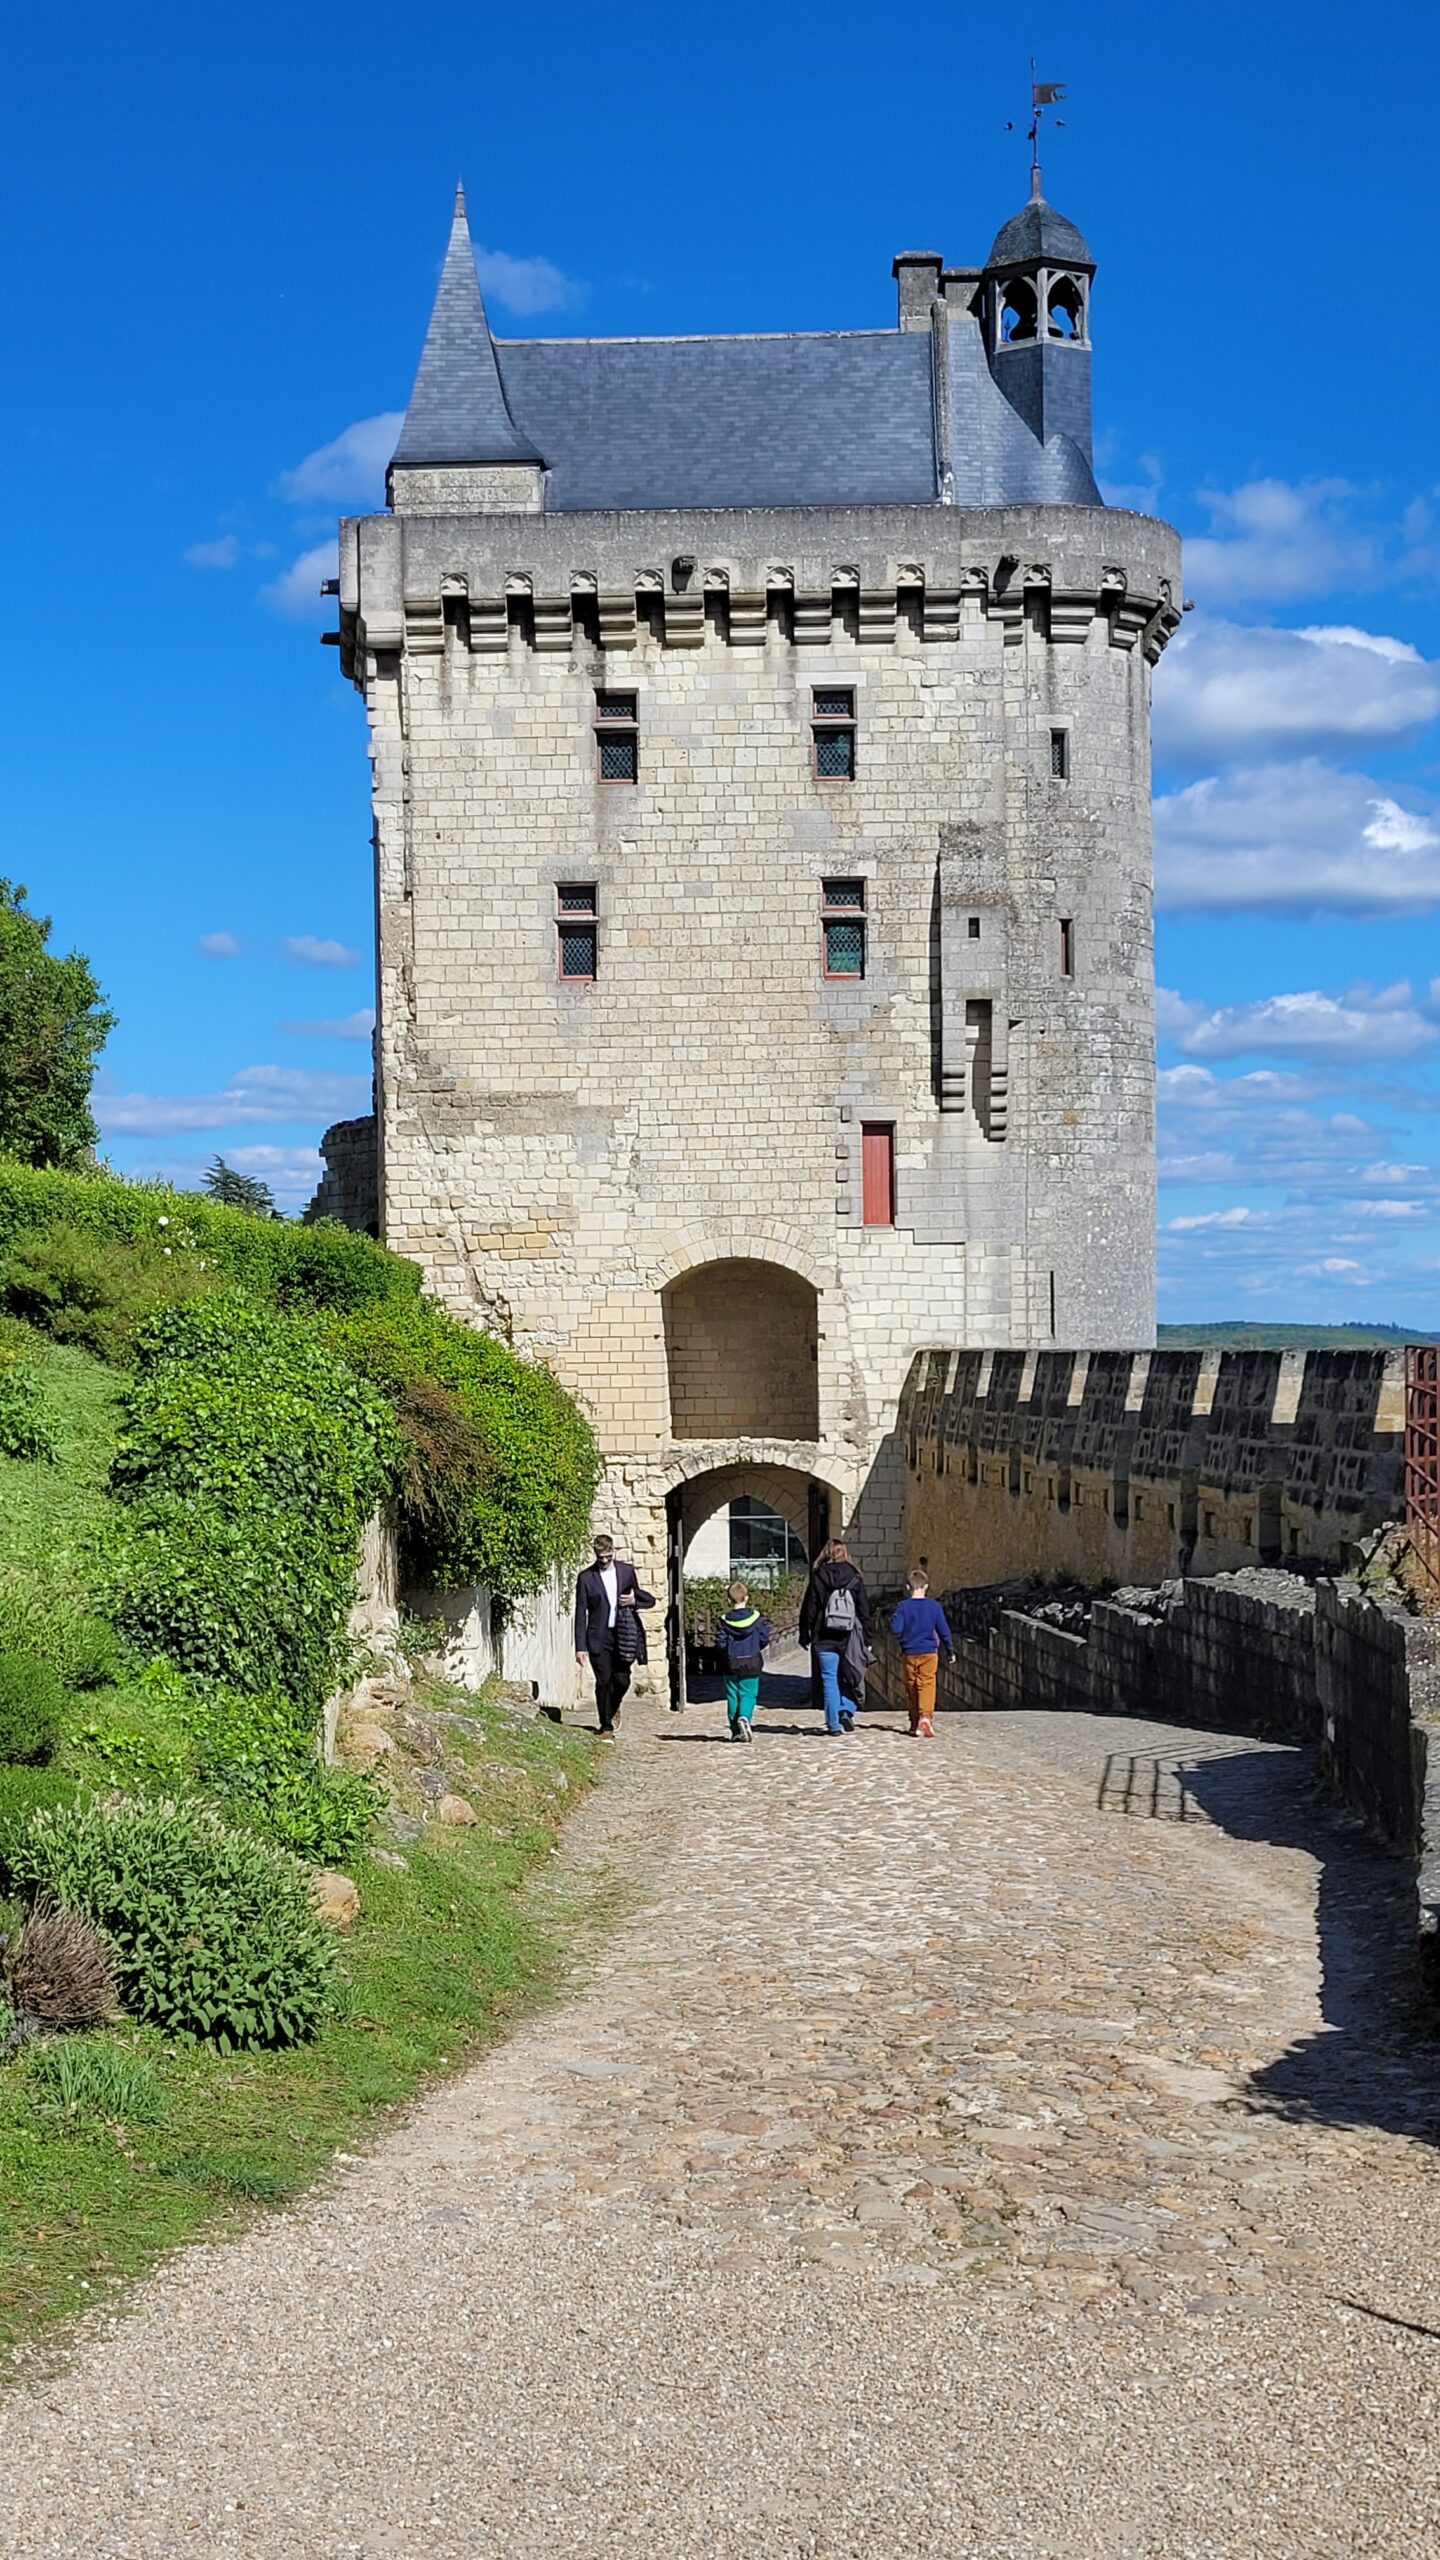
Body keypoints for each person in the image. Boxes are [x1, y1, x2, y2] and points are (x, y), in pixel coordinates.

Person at [573, 1534, 654, 1739]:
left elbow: (643, 1598)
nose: (604, 1561)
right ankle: (606, 1726)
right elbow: (581, 1612)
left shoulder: (626, 1572)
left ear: (612, 1552)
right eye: (601, 1558)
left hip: (623, 1634)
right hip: (598, 1636)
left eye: (608, 1557)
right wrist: (580, 1647)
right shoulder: (586, 1578)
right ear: (595, 1555)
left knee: (622, 1680)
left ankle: (614, 1706)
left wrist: (634, 1599)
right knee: (603, 1680)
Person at [798, 1538, 872, 1736]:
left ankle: (833, 1724)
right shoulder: (855, 1576)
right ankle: (847, 1708)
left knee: (829, 1679)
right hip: (849, 1636)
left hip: (823, 1635)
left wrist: (804, 1633)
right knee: (849, 1675)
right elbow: (864, 1609)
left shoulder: (819, 1575)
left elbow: (810, 1607)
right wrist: (868, 1636)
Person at [889, 1570, 955, 1737]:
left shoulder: (903, 1607)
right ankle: (925, 1717)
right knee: (927, 1683)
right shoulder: (934, 1607)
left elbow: (895, 1629)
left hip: (909, 1652)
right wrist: (950, 1650)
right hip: (929, 1651)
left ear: (907, 1587)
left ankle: (913, 1722)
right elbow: (944, 1630)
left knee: (911, 1685)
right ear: (926, 1586)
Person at [714, 1579, 771, 1742]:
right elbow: (764, 1637)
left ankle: (735, 1730)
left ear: (728, 1600)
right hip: (751, 1659)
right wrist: (756, 1646)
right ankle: (744, 1717)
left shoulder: (724, 1620)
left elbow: (720, 1642)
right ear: (746, 1597)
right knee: (749, 1694)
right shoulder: (757, 1618)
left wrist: (725, 1651)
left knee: (732, 1695)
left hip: (731, 1662)